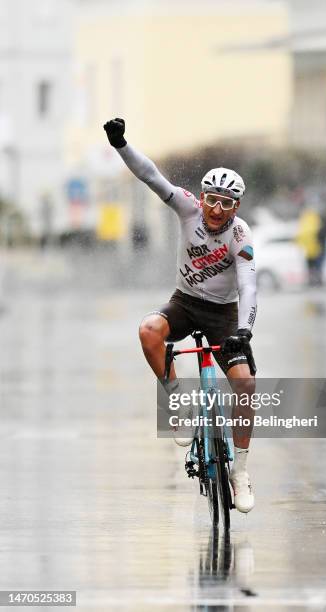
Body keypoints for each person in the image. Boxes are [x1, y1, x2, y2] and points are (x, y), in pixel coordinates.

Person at [103, 118, 257, 513]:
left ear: (236, 208)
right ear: (201, 197)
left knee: (245, 387)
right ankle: (180, 404)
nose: (217, 210)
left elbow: (248, 285)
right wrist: (121, 144)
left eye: (227, 204)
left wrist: (244, 330)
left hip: (224, 315)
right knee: (148, 330)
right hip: (185, 303)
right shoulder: (186, 207)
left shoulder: (240, 235)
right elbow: (151, 175)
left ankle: (240, 472)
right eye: (212, 200)